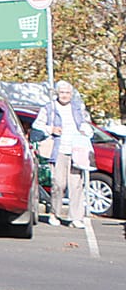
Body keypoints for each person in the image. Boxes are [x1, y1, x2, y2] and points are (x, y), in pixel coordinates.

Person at [38, 79, 95, 226]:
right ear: (57, 93)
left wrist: (85, 131)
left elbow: (87, 125)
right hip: (58, 151)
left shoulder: (78, 108)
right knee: (58, 184)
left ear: (71, 94)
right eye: (62, 92)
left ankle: (76, 218)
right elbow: (37, 124)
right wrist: (51, 129)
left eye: (68, 93)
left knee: (76, 184)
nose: (65, 95)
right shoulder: (49, 108)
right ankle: (54, 214)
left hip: (76, 150)